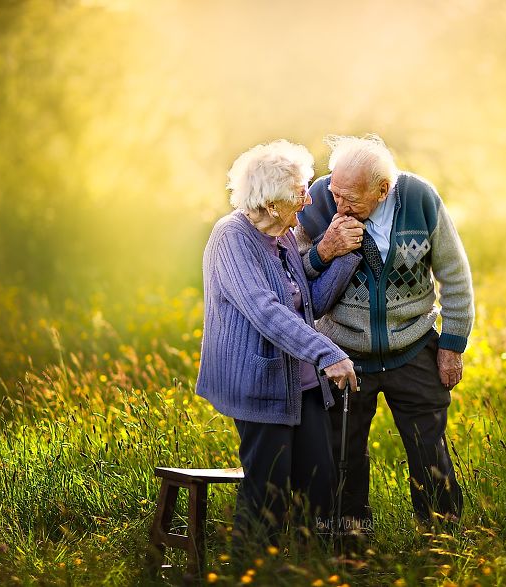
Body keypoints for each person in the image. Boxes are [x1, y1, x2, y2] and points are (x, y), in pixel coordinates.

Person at [296, 134, 474, 531]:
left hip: (412, 346)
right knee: (344, 453)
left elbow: (455, 275)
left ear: (383, 189)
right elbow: (291, 277)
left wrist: (452, 344)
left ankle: (441, 536)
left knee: (429, 451)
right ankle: (350, 541)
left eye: (350, 199)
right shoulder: (320, 200)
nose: (338, 204)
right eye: (335, 191)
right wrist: (324, 250)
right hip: (342, 352)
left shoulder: (420, 199)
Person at [196, 139, 361, 552]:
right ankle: (251, 572)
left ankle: (313, 569)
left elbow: (309, 304)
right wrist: (329, 353)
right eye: (299, 192)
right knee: (268, 494)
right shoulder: (230, 238)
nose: (308, 200)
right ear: (271, 204)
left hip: (301, 384)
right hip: (259, 381)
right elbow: (266, 311)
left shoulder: (284, 237)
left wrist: (343, 255)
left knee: (320, 484)